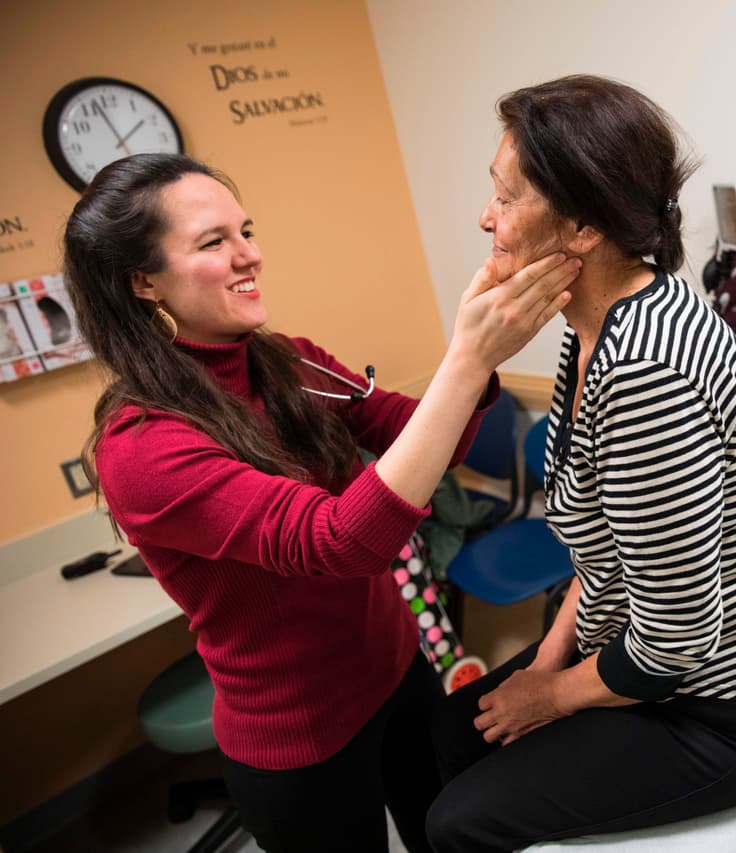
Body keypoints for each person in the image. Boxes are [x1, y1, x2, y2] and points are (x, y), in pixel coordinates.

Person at [61, 153, 578, 853]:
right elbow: (335, 543)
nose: (250, 256)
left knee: (451, 834)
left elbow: (410, 431)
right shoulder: (144, 444)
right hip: (299, 740)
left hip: (397, 670)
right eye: (214, 242)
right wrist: (465, 360)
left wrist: (478, 358)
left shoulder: (284, 360)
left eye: (246, 230)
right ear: (142, 280)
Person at [426, 75, 736, 852]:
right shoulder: (591, 323)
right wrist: (547, 659)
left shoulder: (648, 370)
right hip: (654, 651)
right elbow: (611, 543)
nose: (487, 217)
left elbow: (680, 634)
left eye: (507, 197)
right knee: (439, 738)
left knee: (458, 820)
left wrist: (549, 696)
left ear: (581, 226)